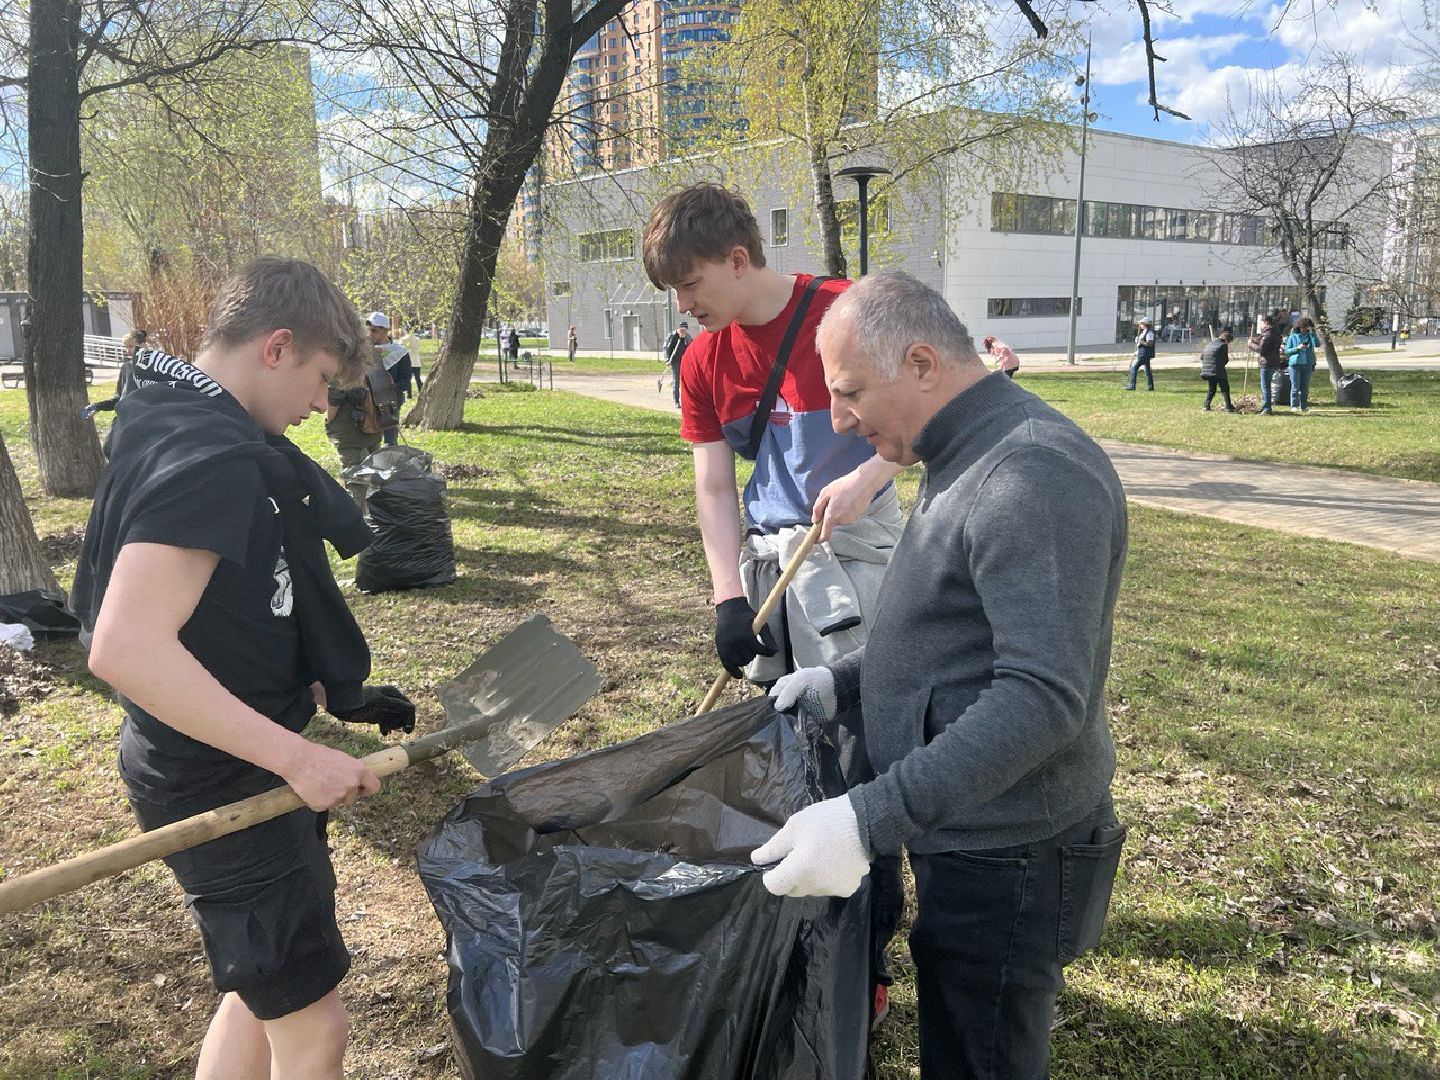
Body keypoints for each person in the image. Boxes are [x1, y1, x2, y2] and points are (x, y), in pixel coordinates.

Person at [755, 270, 1128, 1079]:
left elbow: (1041, 698)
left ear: (921, 363)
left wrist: (867, 820)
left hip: (1012, 850)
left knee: (979, 1051)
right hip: (968, 825)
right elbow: (956, 636)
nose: (838, 419)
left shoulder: (1028, 474)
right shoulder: (960, 451)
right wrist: (844, 681)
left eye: (850, 392)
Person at [70, 257, 417, 1080]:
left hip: (231, 761)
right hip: (219, 779)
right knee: (315, 1029)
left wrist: (329, 684)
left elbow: (226, 598)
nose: (315, 407)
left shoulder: (172, 413)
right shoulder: (212, 458)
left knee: (261, 998)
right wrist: (297, 757)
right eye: (320, 380)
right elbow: (125, 647)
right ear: (278, 347)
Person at [642, 181, 906, 1023]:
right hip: (770, 568)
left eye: (691, 287)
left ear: (739, 259)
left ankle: (868, 951)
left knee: (861, 750)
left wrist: (869, 475)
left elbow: (926, 414)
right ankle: (790, 927)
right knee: (780, 750)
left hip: (853, 553)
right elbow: (715, 487)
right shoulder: (705, 358)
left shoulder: (848, 311)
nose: (684, 308)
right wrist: (726, 596)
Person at [366, 312, 413, 445]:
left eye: (374, 330)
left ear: (385, 330)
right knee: (370, 440)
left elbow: (405, 379)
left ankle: (390, 463)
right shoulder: (364, 350)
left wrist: (389, 391)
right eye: (369, 330)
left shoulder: (399, 352)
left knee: (390, 441)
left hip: (391, 402)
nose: (370, 333)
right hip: (367, 401)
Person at [1284, 316, 1320, 413]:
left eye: (1306, 327)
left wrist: (1313, 334)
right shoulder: (1293, 337)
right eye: (1302, 327)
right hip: (1295, 365)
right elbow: (1287, 351)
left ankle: (1303, 406)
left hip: (1307, 364)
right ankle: (1294, 405)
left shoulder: (1310, 336)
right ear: (1299, 327)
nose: (1304, 329)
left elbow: (1317, 344)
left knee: (1305, 387)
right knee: (1295, 386)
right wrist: (1297, 348)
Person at [1200, 328, 1237, 412]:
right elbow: (1225, 359)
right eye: (1229, 342)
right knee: (1225, 387)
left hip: (1206, 369)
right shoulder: (1223, 345)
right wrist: (1220, 364)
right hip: (1217, 369)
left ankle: (1206, 406)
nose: (1229, 344)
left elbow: (1202, 357)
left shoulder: (1209, 344)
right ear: (1226, 340)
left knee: (1212, 388)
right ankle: (1228, 406)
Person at [1254, 313, 1284, 415]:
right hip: (1274, 362)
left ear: (1266, 322)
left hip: (1267, 362)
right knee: (1266, 386)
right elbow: (1262, 342)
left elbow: (1261, 349)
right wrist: (1254, 341)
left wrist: (1250, 345)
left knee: (1265, 387)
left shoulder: (1267, 334)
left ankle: (1267, 408)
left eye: (1261, 323)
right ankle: (1265, 406)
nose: (1260, 326)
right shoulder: (1275, 332)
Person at [662, 320, 692, 407]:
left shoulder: (688, 337)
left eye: (685, 329)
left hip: (684, 361)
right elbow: (665, 347)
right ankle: (677, 401)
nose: (683, 331)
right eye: (682, 329)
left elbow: (690, 348)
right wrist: (667, 359)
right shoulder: (672, 336)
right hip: (674, 361)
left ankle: (686, 401)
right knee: (676, 381)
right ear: (679, 328)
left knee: (686, 381)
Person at [1126, 317, 1156, 390]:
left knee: (1133, 368)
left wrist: (1139, 341)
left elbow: (1150, 344)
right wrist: (1137, 351)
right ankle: (1150, 387)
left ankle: (1132, 385)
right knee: (1147, 371)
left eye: (1141, 323)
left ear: (1145, 324)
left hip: (1144, 354)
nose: (1140, 325)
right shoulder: (1144, 332)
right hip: (1142, 353)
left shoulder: (1149, 333)